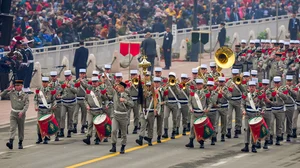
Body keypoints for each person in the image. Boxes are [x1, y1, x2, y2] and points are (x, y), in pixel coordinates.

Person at [0, 80, 29, 150]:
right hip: (13, 113)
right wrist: (7, 89)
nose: (17, 87)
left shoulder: (25, 94)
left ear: (22, 86)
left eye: (18, 85)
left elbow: (26, 105)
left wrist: (22, 112)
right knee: (12, 128)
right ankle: (11, 142)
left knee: (21, 128)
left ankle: (20, 142)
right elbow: (1, 95)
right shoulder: (12, 93)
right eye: (16, 85)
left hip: (21, 113)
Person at [110, 82, 134, 154]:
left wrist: (125, 100)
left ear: (123, 88)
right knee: (113, 130)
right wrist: (106, 78)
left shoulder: (127, 95)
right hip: (116, 115)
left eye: (119, 87)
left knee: (123, 133)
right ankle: (113, 146)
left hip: (123, 116)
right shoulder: (115, 93)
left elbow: (132, 104)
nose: (118, 88)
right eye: (117, 86)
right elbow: (110, 85)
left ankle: (123, 146)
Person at [82, 76, 108, 145]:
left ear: (98, 83)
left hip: (98, 110)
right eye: (93, 82)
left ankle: (97, 138)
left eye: (95, 82)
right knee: (89, 124)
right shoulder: (88, 90)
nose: (94, 83)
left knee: (97, 125)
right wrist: (87, 105)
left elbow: (105, 99)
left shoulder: (100, 90)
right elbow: (85, 99)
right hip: (90, 110)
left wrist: (106, 105)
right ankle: (88, 137)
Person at [241, 81, 265, 153]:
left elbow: (263, 105)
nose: (251, 88)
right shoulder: (245, 94)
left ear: (255, 87)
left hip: (255, 114)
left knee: (254, 130)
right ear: (248, 87)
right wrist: (243, 110)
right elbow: (242, 104)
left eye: (253, 87)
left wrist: (263, 110)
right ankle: (246, 145)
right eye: (250, 87)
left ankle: (254, 145)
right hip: (247, 113)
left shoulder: (259, 95)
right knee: (246, 129)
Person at [34, 77, 56, 144]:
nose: (44, 84)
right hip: (40, 109)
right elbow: (35, 99)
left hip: (48, 109)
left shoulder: (51, 90)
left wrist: (54, 105)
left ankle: (46, 137)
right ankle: (39, 136)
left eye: (46, 82)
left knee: (46, 123)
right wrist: (35, 106)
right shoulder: (39, 90)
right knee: (39, 124)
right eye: (43, 82)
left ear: (48, 83)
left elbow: (54, 99)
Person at [135, 81, 158, 146]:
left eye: (149, 86)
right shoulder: (144, 93)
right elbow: (139, 102)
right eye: (147, 86)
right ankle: (140, 139)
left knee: (150, 126)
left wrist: (156, 110)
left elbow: (157, 102)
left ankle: (150, 139)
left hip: (151, 112)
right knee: (143, 125)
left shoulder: (155, 94)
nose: (148, 87)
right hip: (144, 111)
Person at [58, 70, 78, 138]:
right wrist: (61, 89)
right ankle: (61, 130)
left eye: (68, 76)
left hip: (72, 103)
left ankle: (69, 130)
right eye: (66, 76)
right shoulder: (62, 83)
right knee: (62, 116)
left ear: (71, 76)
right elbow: (59, 92)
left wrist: (70, 87)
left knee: (70, 117)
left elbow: (76, 91)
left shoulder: (73, 83)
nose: (67, 77)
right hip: (64, 102)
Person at [73, 69, 89, 133]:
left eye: (83, 73)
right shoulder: (76, 81)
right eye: (81, 73)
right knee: (75, 113)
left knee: (84, 113)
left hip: (83, 99)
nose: (82, 75)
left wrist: (82, 82)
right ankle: (75, 126)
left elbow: (87, 87)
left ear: (85, 74)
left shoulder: (86, 81)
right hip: (77, 99)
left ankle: (83, 126)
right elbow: (75, 88)